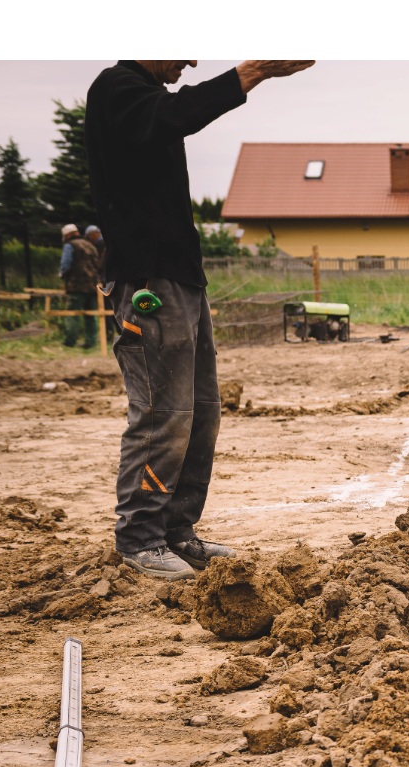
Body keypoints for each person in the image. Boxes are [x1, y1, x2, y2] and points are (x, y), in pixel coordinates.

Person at [86, 58, 314, 580]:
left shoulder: (144, 94)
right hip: (148, 280)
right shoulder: (121, 88)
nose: (190, 62)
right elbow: (176, 115)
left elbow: (171, 115)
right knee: (163, 414)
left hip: (181, 278)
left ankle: (176, 531)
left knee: (201, 412)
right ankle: (139, 538)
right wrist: (250, 73)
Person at [58, 223, 99, 349]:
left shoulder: (70, 245)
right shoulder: (90, 245)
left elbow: (66, 265)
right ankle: (91, 342)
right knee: (91, 315)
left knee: (72, 314)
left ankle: (70, 342)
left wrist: (61, 275)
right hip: (93, 285)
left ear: (68, 235)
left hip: (76, 286)